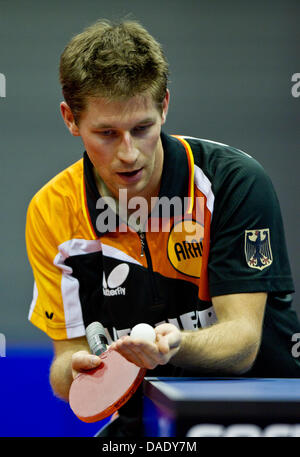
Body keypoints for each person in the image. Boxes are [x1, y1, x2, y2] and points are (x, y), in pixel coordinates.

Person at [25, 18, 300, 437]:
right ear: (70, 119)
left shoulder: (232, 183)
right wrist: (75, 370)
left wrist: (172, 345)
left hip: (260, 412)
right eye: (106, 134)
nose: (129, 154)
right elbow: (65, 365)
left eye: (142, 128)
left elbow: (243, 343)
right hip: (151, 422)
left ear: (164, 105)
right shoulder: (52, 211)